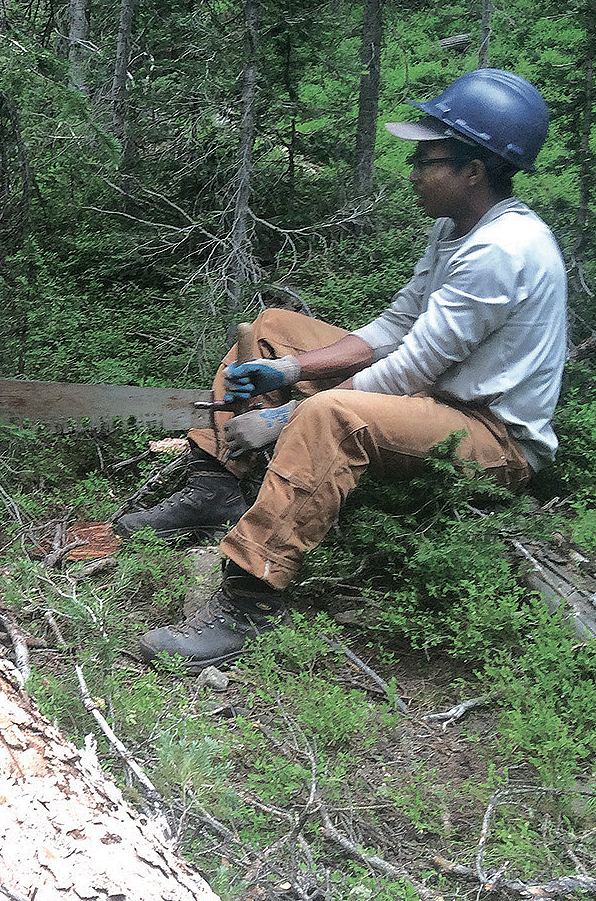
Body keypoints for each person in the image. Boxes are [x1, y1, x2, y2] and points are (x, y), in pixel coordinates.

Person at [122, 68, 568, 671]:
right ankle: (217, 487)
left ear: (475, 169)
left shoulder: (503, 251)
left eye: (428, 160)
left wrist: (287, 413)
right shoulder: (454, 231)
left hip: (491, 437)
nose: (413, 173)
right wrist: (290, 368)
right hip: (435, 399)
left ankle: (250, 597)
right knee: (273, 328)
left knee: (332, 415)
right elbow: (392, 330)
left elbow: (412, 367)